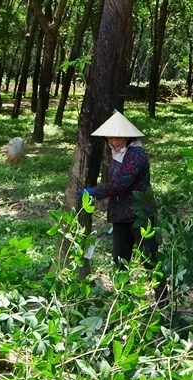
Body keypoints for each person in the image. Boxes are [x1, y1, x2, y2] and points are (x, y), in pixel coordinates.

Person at [79, 111, 165, 305]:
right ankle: (122, 299)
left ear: (127, 136)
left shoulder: (136, 154)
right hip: (120, 214)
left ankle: (163, 298)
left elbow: (121, 184)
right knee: (119, 258)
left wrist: (95, 192)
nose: (112, 141)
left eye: (116, 137)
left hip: (140, 213)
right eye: (109, 137)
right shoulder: (116, 152)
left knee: (150, 257)